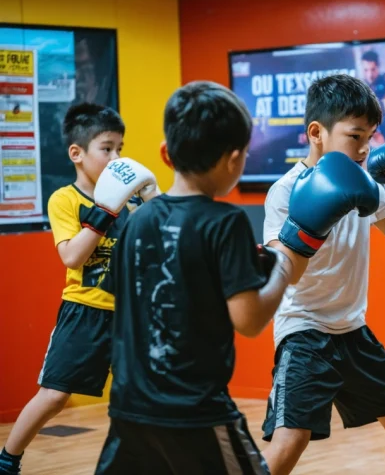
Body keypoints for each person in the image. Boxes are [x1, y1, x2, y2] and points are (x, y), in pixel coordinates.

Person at [92, 81, 293, 475]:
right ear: (234, 159)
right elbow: (249, 320)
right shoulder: (227, 222)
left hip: (130, 409)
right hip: (195, 412)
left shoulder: (138, 220)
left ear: (166, 155)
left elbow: (123, 298)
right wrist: (284, 270)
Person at [260, 73, 385, 475]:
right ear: (317, 132)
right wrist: (311, 222)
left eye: (370, 137)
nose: (366, 148)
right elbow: (288, 275)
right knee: (291, 440)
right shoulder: (285, 192)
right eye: (355, 136)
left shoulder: (367, 186)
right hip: (303, 331)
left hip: (352, 330)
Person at [0, 104, 159, 475]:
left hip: (129, 316)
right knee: (55, 395)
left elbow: (158, 247)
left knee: (141, 398)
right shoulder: (65, 199)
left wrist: (152, 204)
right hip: (84, 312)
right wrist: (105, 210)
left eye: (120, 147)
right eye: (107, 148)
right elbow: (72, 257)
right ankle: (7, 459)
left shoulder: (131, 200)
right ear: (77, 153)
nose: (117, 157)